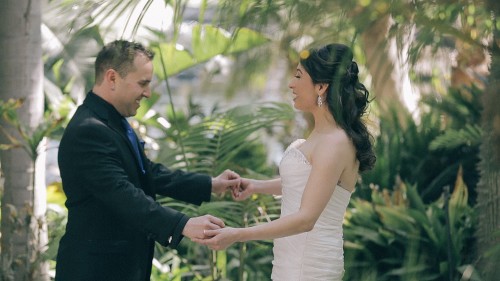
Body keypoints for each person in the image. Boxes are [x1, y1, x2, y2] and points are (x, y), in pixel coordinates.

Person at [55, 40, 240, 281]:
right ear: (112, 78)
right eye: (143, 83)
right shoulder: (88, 130)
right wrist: (183, 224)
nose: (148, 93)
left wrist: (209, 184)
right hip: (96, 269)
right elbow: (122, 194)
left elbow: (146, 172)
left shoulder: (110, 121)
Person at [196, 43, 376, 280]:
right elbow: (309, 183)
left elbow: (306, 219)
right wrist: (256, 186)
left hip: (309, 266)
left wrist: (237, 234)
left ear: (321, 87)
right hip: (292, 259)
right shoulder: (323, 135)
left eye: (299, 76)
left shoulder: (334, 143)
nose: (291, 84)